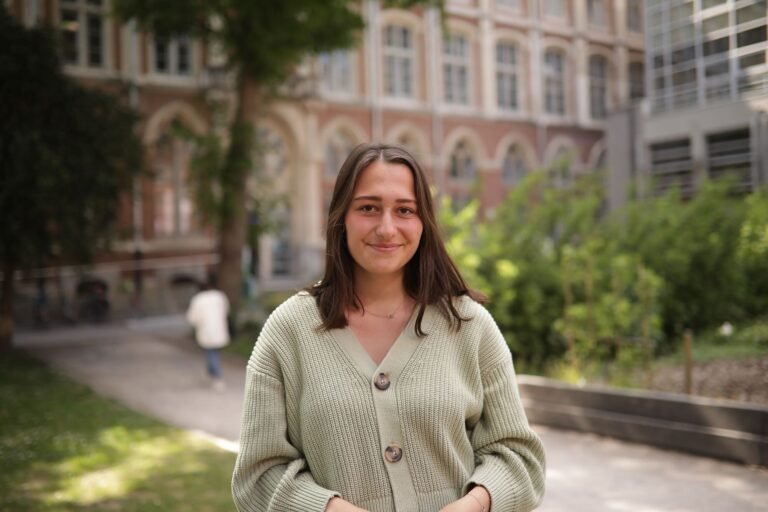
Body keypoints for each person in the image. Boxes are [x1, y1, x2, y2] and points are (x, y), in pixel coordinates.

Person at [232, 143, 545, 511]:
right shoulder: (288, 330)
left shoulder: (469, 325)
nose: (386, 227)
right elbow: (257, 476)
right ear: (341, 217)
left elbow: (519, 457)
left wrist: (475, 504)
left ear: (423, 222)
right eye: (368, 208)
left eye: (404, 210)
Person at [186, 276, 231, 391]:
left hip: (206, 331)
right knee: (213, 352)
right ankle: (210, 372)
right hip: (219, 329)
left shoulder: (198, 299)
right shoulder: (219, 296)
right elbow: (226, 310)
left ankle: (217, 377)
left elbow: (192, 318)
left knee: (211, 353)